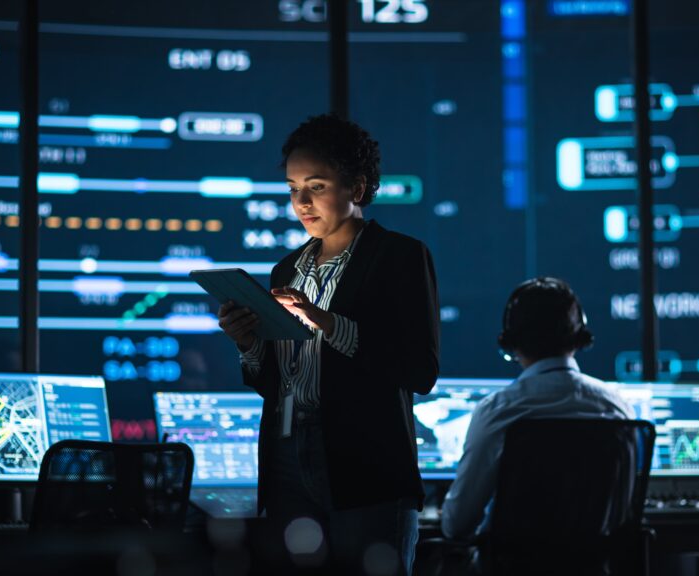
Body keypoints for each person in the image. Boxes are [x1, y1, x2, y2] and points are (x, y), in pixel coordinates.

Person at [217, 114, 440, 575]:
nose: (301, 202)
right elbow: (276, 384)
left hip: (365, 462)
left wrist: (326, 321)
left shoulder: (398, 256)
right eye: (293, 188)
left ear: (356, 189)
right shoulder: (286, 270)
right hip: (285, 455)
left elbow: (420, 370)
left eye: (315, 186)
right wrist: (250, 344)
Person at [440, 277, 632, 545]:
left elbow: (456, 524)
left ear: (510, 341)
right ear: (580, 337)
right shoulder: (617, 408)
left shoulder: (497, 412)